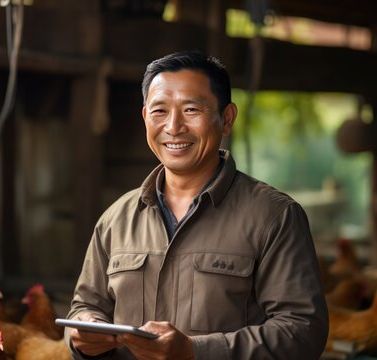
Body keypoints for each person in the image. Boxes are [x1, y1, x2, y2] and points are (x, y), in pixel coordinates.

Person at [64, 50, 328, 359]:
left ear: (226, 119)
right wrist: (81, 334)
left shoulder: (275, 217)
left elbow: (302, 331)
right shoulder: (116, 219)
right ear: (145, 116)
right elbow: (84, 307)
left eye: (191, 109)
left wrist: (195, 351)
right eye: (159, 111)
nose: (173, 127)